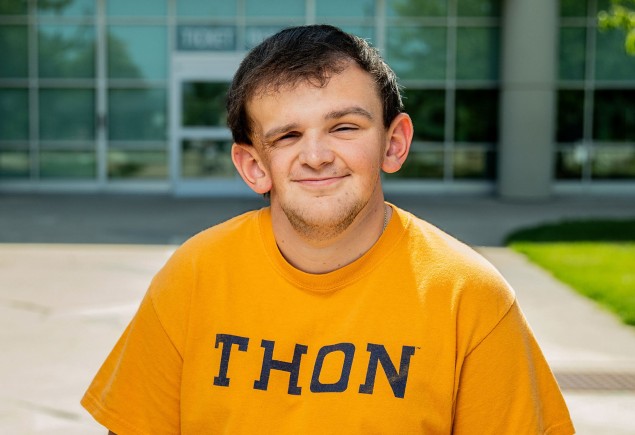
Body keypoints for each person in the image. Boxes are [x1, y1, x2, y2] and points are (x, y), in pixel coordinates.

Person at [81, 25, 575, 434]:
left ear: (394, 142)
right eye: (288, 136)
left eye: (344, 127)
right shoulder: (194, 275)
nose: (316, 156)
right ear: (254, 166)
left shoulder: (468, 295)